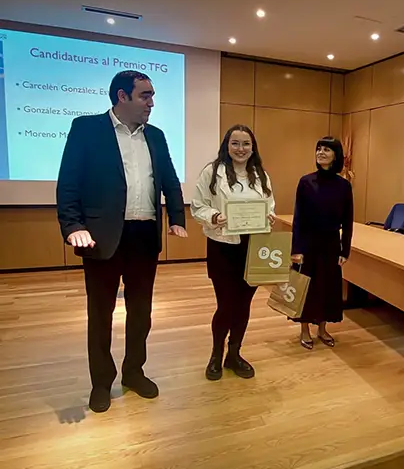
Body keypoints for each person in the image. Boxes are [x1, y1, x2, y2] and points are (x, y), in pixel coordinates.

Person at [56, 70, 187, 413]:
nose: (152, 103)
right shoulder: (86, 129)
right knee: (101, 314)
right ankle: (101, 382)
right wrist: (71, 225)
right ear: (121, 96)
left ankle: (133, 372)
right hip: (102, 237)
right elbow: (69, 182)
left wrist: (176, 218)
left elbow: (170, 180)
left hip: (144, 235)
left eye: (153, 95)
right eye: (145, 95)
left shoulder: (156, 136)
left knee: (141, 312)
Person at [190, 125, 276, 381]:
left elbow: (270, 204)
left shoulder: (261, 174)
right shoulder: (212, 172)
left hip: (253, 247)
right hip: (223, 246)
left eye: (246, 144)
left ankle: (234, 354)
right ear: (227, 146)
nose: (241, 149)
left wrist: (268, 216)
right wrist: (214, 216)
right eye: (235, 143)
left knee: (244, 305)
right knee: (226, 305)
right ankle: (216, 354)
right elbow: (198, 206)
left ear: (253, 147)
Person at [290, 136, 353, 349]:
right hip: (308, 243)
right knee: (306, 288)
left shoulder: (344, 186)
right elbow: (298, 218)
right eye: (318, 149)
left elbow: (348, 220)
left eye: (326, 149)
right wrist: (296, 248)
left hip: (331, 244)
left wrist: (346, 250)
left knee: (328, 288)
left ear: (336, 155)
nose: (321, 153)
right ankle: (305, 330)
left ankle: (323, 329)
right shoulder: (306, 182)